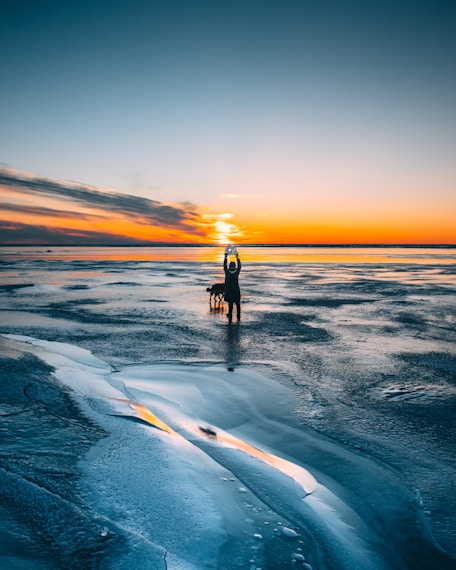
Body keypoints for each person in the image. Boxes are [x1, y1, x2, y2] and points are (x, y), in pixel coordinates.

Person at [223, 249, 241, 320]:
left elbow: (224, 266)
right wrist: (237, 258)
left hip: (230, 292)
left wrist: (225, 258)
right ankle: (238, 317)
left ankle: (230, 317)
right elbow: (239, 267)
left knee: (230, 306)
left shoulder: (227, 273)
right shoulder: (236, 273)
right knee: (238, 305)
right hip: (236, 292)